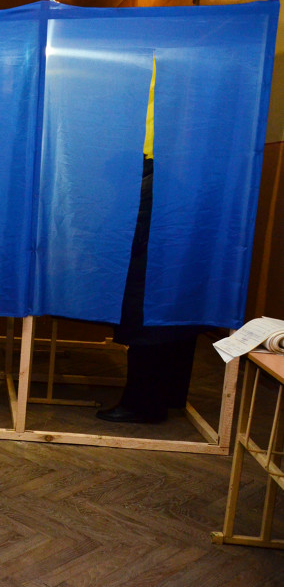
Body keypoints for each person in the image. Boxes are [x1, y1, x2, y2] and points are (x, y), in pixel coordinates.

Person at [96, 58, 201, 424]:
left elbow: (129, 235)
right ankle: (168, 397)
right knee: (171, 328)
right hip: (173, 276)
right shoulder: (175, 178)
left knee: (146, 330)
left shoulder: (145, 186)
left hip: (149, 275)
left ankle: (141, 404)